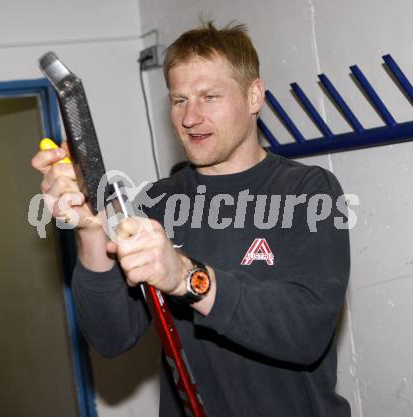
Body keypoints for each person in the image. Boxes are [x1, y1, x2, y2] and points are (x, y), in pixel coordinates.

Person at [32, 21, 351, 417]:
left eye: (209, 97)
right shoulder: (157, 204)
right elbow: (112, 337)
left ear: (254, 96)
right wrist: (90, 231)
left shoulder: (310, 192)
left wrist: (186, 277)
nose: (189, 117)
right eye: (179, 100)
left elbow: (306, 332)